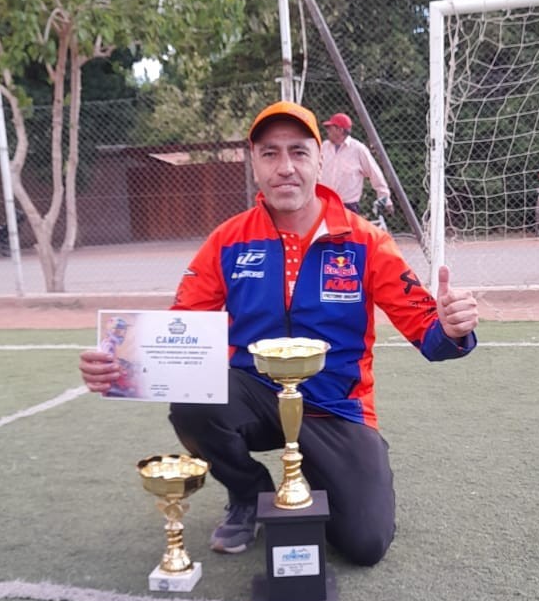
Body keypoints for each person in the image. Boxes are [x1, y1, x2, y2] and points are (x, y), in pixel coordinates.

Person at [79, 100, 478, 567]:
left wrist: (451, 328)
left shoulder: (366, 241)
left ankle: (342, 466)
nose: (284, 167)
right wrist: (120, 362)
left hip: (335, 407)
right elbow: (182, 328)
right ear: (254, 164)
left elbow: (429, 334)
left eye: (298, 152)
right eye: (270, 153)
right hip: (254, 396)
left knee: (365, 543)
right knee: (193, 403)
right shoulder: (228, 240)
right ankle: (250, 493)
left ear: (319, 161)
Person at [319, 112, 394, 216]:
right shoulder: (323, 147)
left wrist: (384, 197)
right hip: (323, 203)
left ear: (340, 130)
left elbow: (374, 173)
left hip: (347, 206)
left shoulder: (358, 149)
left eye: (330, 128)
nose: (327, 131)